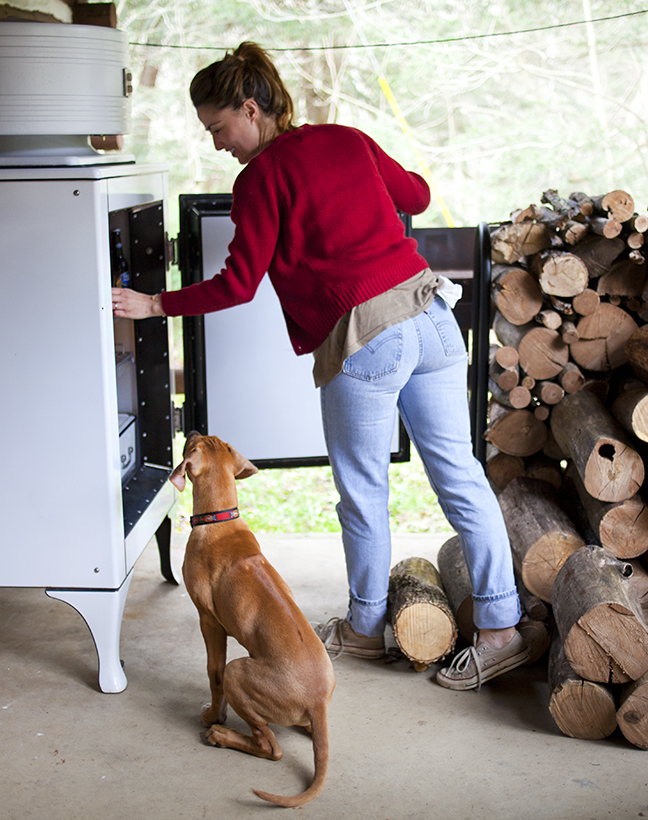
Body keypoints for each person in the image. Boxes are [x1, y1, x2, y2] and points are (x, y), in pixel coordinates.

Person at [112, 42, 527, 689]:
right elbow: (415, 192)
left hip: (369, 335)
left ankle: (364, 630)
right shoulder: (345, 138)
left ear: (251, 108)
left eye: (220, 128)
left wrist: (152, 302)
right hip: (433, 316)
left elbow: (237, 283)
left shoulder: (259, 179)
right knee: (462, 477)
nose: (219, 144)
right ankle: (502, 630)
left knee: (364, 494)